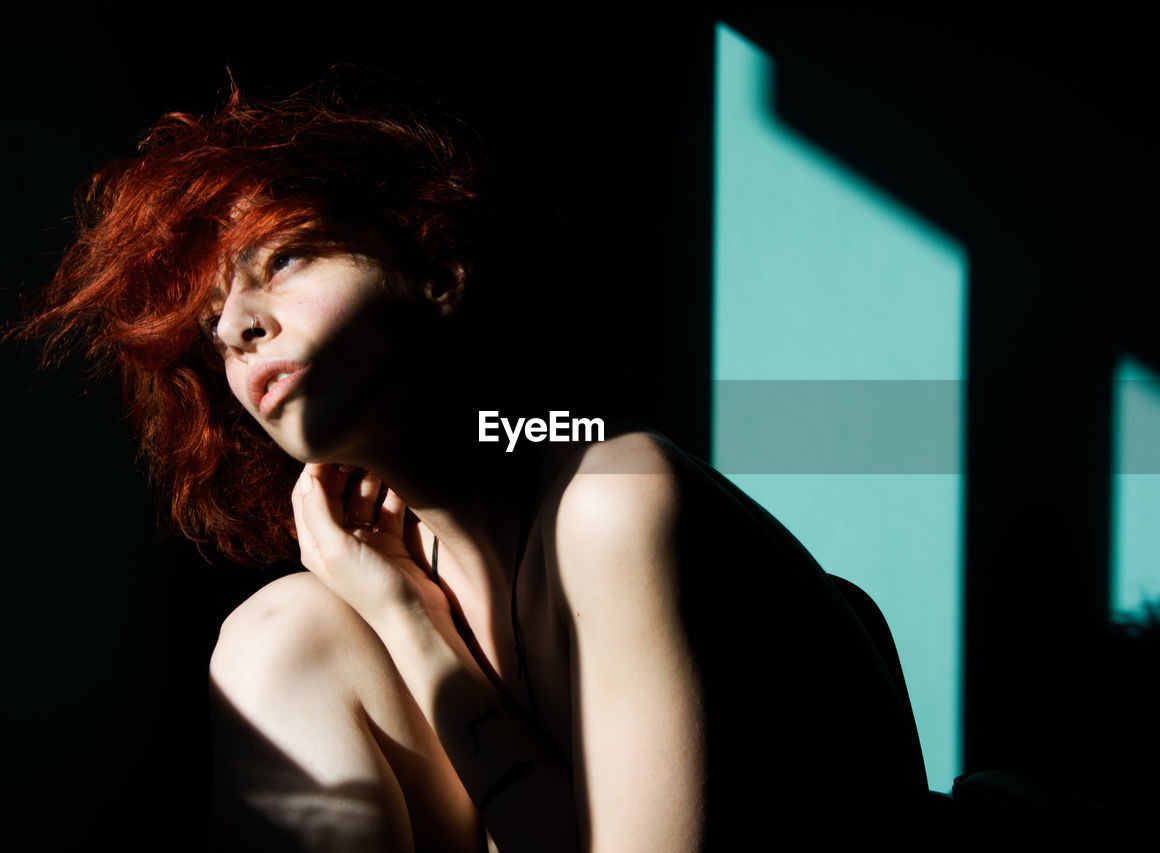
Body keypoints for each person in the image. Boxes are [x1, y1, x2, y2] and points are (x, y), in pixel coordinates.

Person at [15, 71, 933, 851]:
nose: (239, 329)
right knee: (279, 632)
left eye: (284, 260)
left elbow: (549, 434)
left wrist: (414, 627)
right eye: (217, 328)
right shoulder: (359, 591)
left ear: (439, 269)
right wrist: (395, 609)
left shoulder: (608, 492)